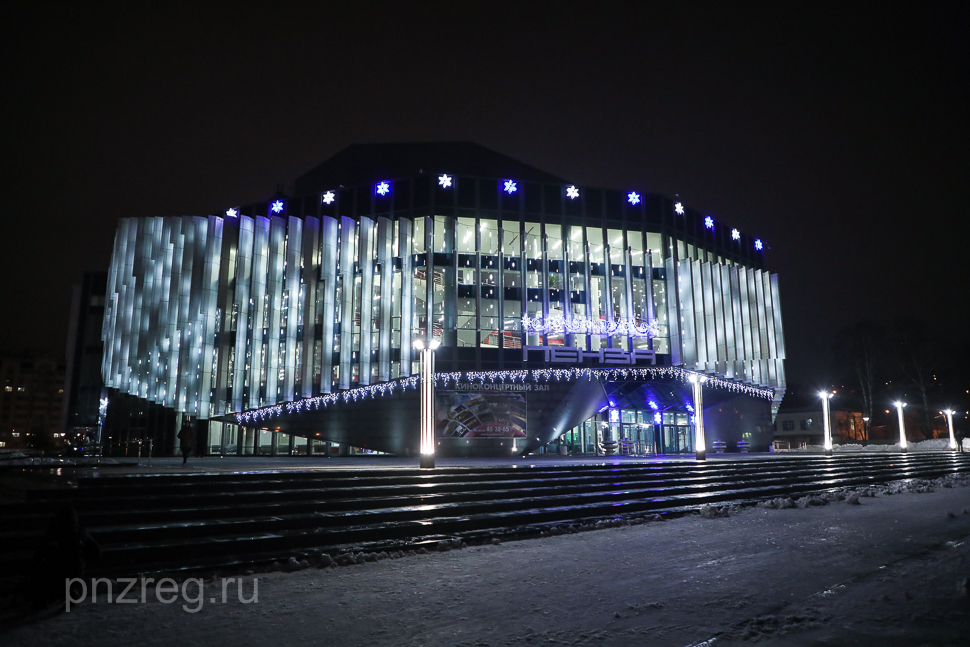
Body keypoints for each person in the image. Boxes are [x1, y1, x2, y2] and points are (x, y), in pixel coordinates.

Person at [19, 505, 100, 609]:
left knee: (46, 575)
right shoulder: (79, 531)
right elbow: (96, 551)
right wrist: (84, 560)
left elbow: (40, 551)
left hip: (59, 569)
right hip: (73, 569)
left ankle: (49, 597)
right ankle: (65, 593)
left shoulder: (56, 531)